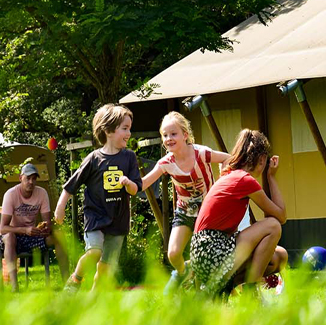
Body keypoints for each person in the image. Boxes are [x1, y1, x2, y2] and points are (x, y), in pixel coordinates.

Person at [190, 129, 288, 296]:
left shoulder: (231, 175)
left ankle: (217, 291)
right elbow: (280, 217)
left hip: (203, 252)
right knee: (273, 226)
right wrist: (271, 177)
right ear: (262, 160)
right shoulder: (245, 180)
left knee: (277, 256)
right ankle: (251, 291)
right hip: (214, 249)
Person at [54, 104, 142, 291]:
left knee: (105, 267)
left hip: (118, 219)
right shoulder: (94, 159)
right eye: (124, 128)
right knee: (94, 251)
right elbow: (71, 185)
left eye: (129, 128)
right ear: (109, 130)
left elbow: (135, 189)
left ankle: (93, 300)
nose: (129, 133)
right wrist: (60, 207)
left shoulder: (129, 158)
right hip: (95, 216)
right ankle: (76, 279)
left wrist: (128, 183)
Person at [139, 112, 229, 292]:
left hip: (207, 212)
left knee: (203, 254)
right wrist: (127, 182)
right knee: (173, 253)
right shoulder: (165, 163)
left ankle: (203, 290)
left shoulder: (201, 153)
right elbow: (144, 183)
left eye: (173, 134)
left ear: (185, 135)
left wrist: (221, 182)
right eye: (165, 135)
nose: (168, 138)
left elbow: (227, 158)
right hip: (185, 211)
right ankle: (183, 272)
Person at [1, 163, 69, 291]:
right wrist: (24, 230)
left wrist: (46, 229)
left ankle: (68, 282)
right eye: (28, 178)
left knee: (58, 235)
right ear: (21, 178)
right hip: (14, 237)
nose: (31, 182)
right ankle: (15, 287)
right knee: (9, 237)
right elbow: (2, 228)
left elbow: (47, 221)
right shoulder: (10, 194)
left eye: (34, 178)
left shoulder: (41, 193)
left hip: (33, 236)